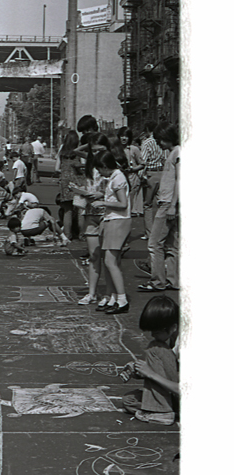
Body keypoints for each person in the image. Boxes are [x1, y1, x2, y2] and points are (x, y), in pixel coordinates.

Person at [122, 295, 179, 425]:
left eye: (157, 331)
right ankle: (167, 409)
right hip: (175, 394)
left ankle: (162, 412)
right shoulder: (172, 337)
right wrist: (139, 371)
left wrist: (150, 373)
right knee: (129, 400)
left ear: (173, 327)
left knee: (155, 348)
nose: (153, 335)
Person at [138, 124, 179, 292]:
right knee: (171, 245)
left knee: (154, 243)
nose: (159, 144)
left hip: (168, 203)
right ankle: (173, 280)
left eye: (160, 140)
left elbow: (180, 180)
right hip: (170, 202)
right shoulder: (174, 153)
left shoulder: (177, 153)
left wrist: (172, 206)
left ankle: (157, 281)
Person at [91, 149, 131, 314]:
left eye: (100, 168)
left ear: (105, 166)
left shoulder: (118, 179)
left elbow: (123, 203)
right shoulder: (114, 178)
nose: (99, 172)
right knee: (110, 262)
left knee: (110, 262)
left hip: (118, 220)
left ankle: (122, 299)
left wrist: (103, 203)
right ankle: (113, 295)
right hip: (112, 220)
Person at [140, 120, 166, 240]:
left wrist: (141, 175)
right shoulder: (162, 141)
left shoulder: (146, 142)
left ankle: (150, 233)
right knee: (161, 203)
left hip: (150, 173)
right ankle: (161, 232)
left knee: (147, 205)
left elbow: (143, 161)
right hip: (162, 172)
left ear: (147, 130)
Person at [57, 130, 85, 240]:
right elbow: (83, 163)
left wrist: (65, 172)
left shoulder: (62, 149)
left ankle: (68, 234)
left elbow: (56, 168)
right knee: (80, 208)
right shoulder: (79, 150)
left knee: (67, 210)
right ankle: (82, 234)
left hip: (65, 182)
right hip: (78, 181)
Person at [118, 126, 144, 217]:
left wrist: (133, 169)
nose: (124, 138)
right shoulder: (116, 149)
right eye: (122, 136)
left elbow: (142, 164)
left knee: (129, 203)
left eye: (126, 136)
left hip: (132, 178)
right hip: (119, 177)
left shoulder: (134, 149)